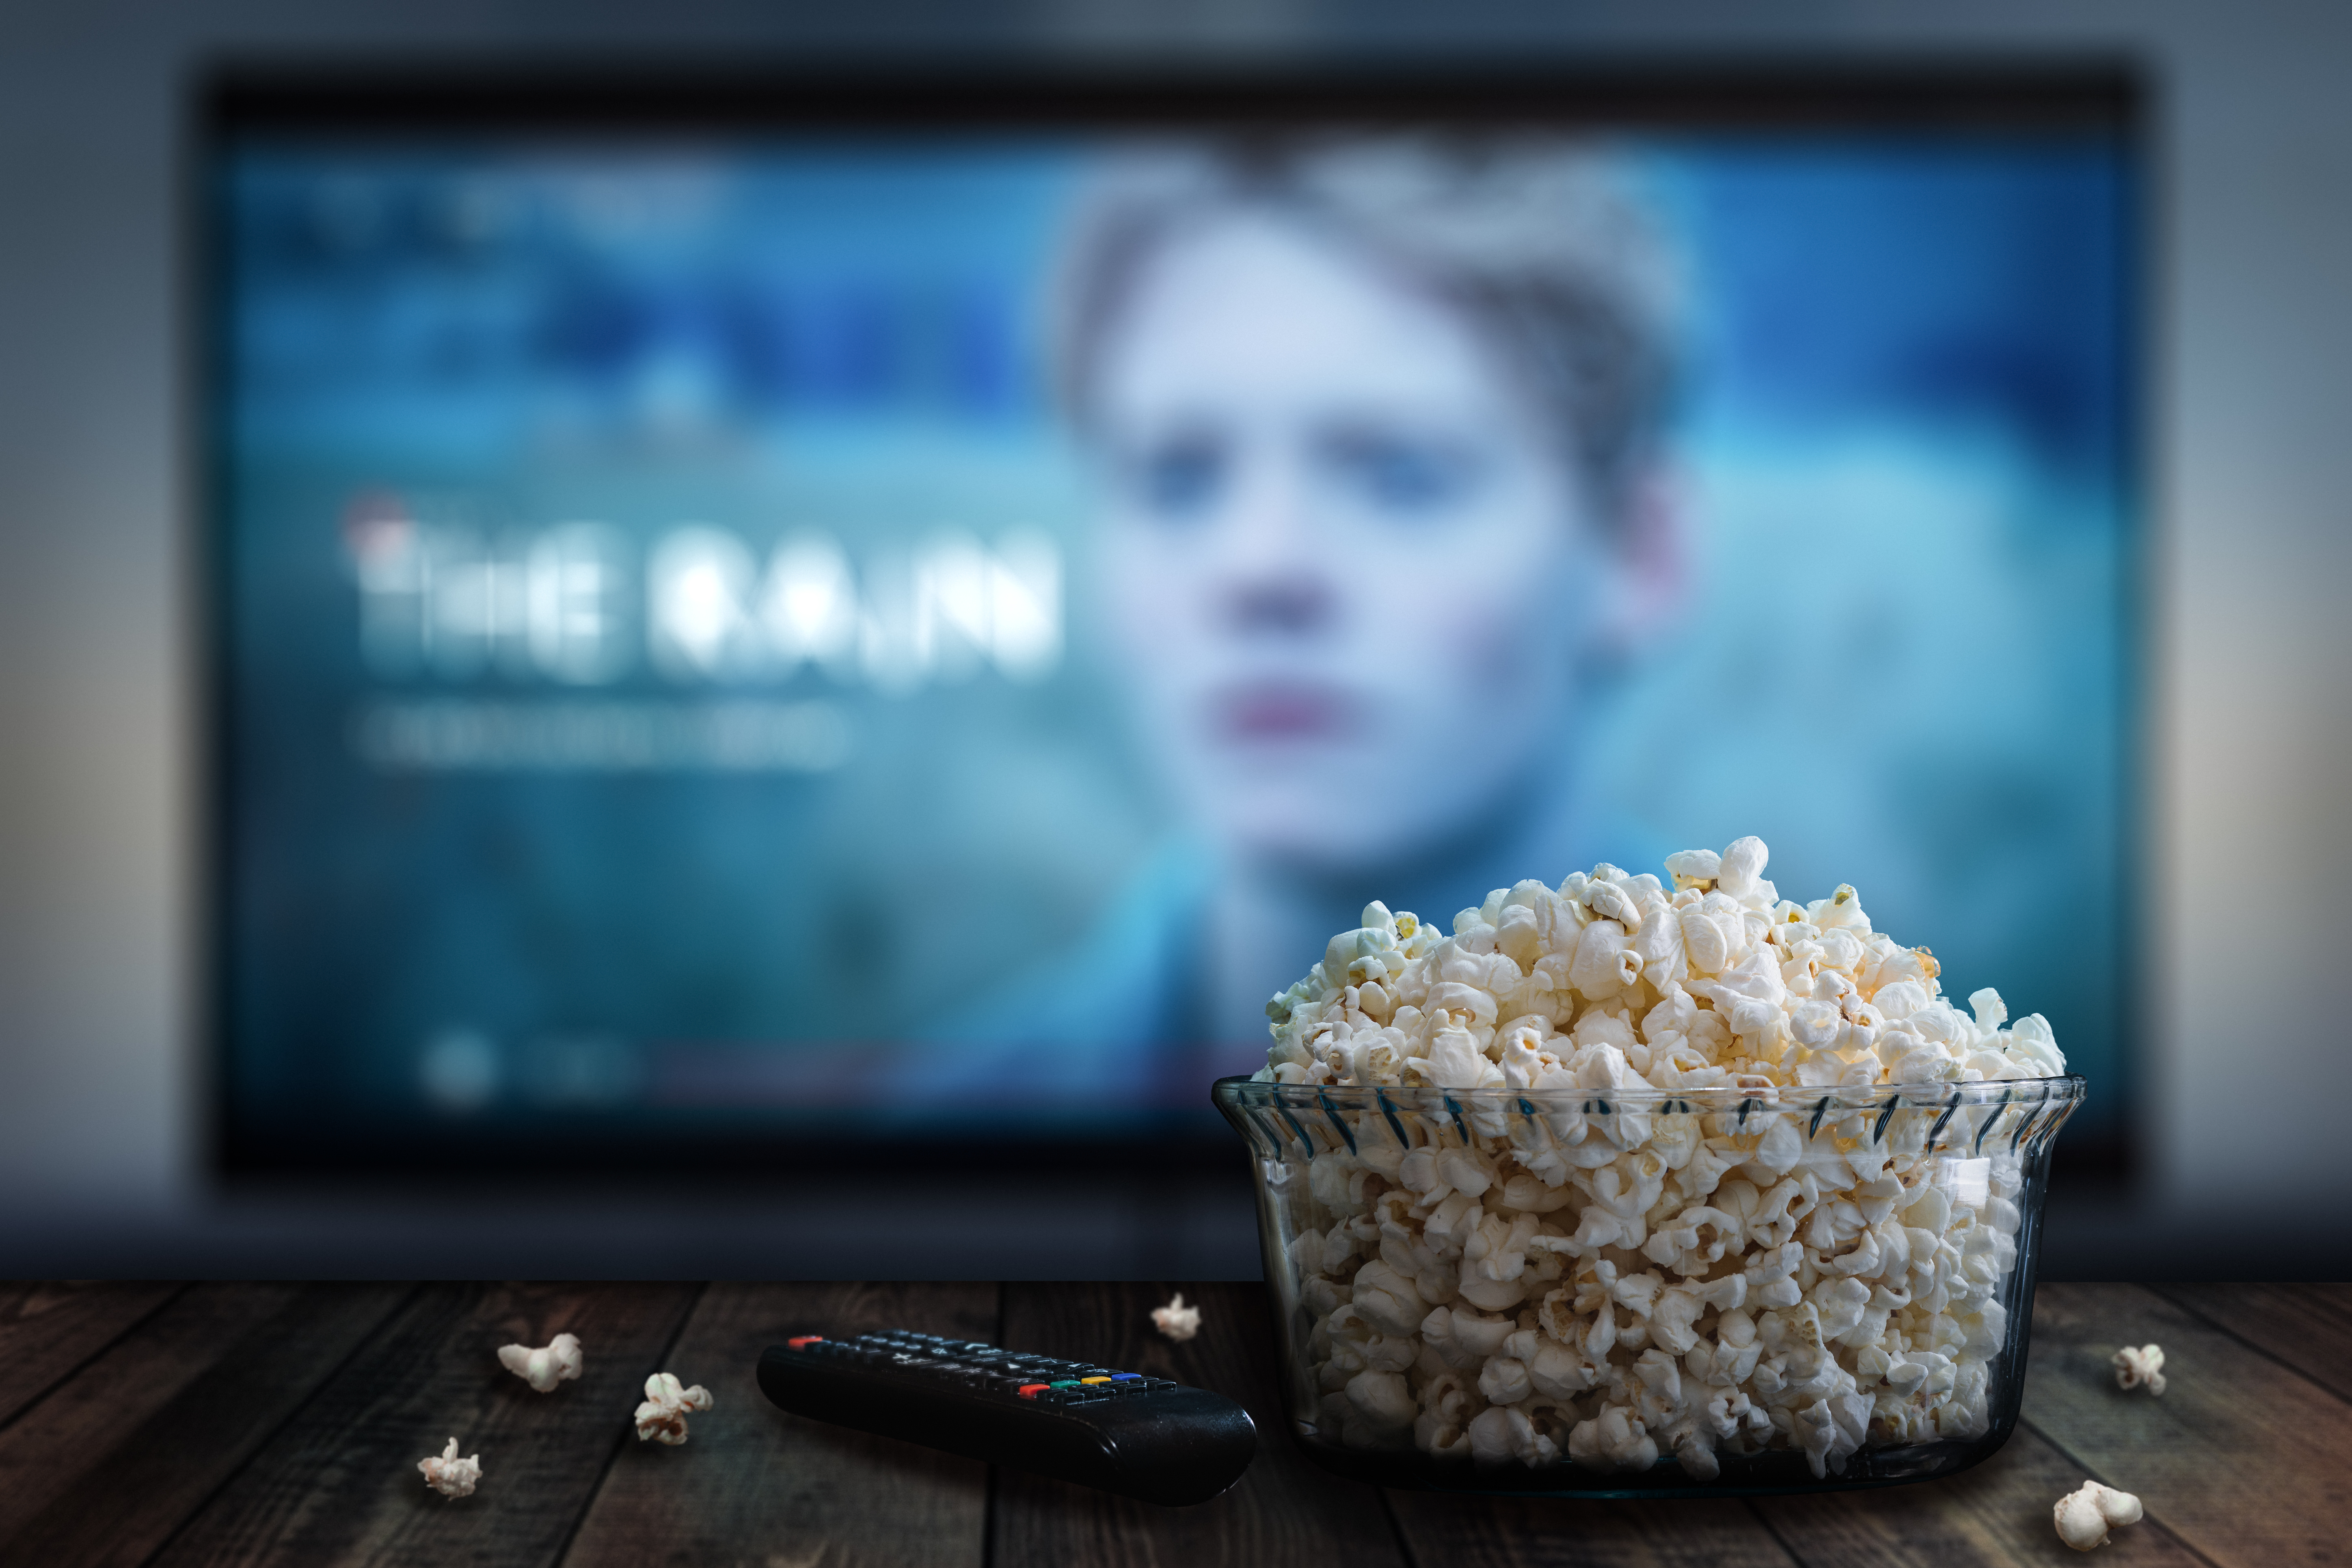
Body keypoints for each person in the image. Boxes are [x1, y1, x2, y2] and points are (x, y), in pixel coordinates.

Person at [920, 137, 1687, 1105]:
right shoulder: (926, 1152)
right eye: (1177, 476)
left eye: (1402, 474)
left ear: (1638, 553)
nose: (1259, 566)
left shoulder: (1867, 1138)